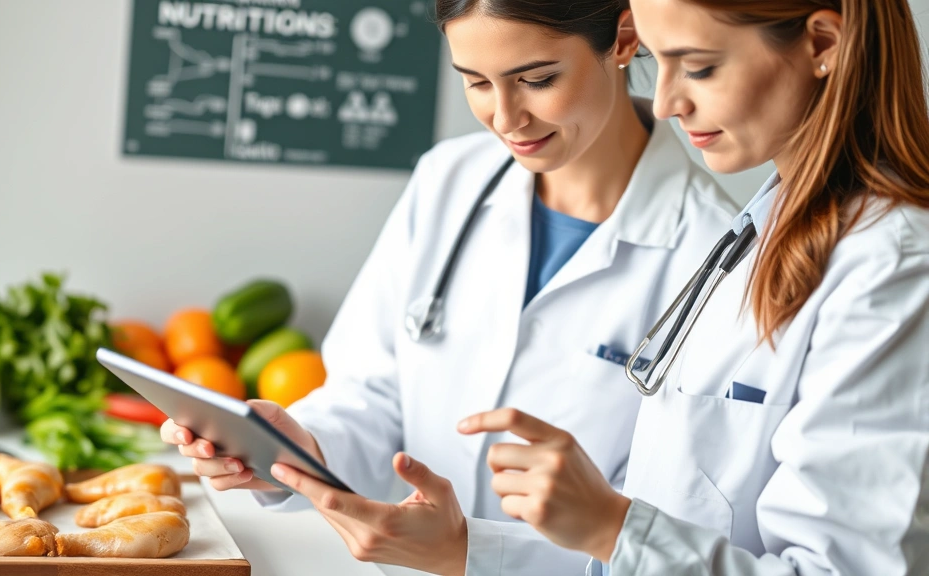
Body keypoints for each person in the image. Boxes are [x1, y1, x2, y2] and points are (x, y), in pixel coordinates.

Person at [164, 0, 737, 573]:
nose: (507, 118)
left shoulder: (721, 258)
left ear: (623, 38)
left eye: (537, 80)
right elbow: (373, 389)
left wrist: (477, 554)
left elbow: (665, 532)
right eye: (477, 83)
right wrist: (304, 449)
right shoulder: (449, 180)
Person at [459, 0, 929, 573]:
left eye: (699, 67)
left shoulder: (895, 266)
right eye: (659, 62)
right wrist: (463, 549)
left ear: (822, 46)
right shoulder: (762, 231)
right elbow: (685, 529)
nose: (664, 103)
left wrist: (611, 526)